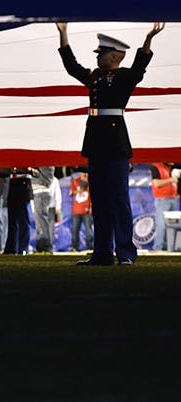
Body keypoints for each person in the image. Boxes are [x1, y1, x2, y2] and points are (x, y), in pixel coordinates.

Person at [57, 22, 165, 265]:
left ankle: (125, 253)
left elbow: (140, 65)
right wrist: (63, 35)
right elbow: (72, 67)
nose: (99, 56)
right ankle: (102, 254)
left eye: (102, 53)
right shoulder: (94, 77)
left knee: (118, 200)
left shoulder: (125, 76)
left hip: (115, 145)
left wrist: (149, 39)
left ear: (115, 56)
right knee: (101, 201)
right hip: (96, 143)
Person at [150, 163, 179, 251]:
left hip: (173, 199)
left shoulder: (171, 167)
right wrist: (171, 180)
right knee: (161, 225)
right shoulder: (156, 166)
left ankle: (168, 248)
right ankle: (157, 248)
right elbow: (156, 183)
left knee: (172, 225)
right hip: (162, 200)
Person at [4, 168, 32, 255]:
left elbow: (37, 172)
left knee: (23, 220)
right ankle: (11, 248)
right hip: (13, 182)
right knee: (12, 220)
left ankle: (23, 248)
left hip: (23, 182)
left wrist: (29, 169)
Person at [30, 166, 55, 253]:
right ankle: (41, 246)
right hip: (39, 192)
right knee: (40, 222)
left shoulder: (47, 163)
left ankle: (45, 247)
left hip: (41, 192)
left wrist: (32, 169)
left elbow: (45, 179)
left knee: (42, 221)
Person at [69, 172, 93, 251]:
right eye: (83, 174)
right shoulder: (76, 181)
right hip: (76, 210)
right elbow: (71, 193)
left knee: (88, 229)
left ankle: (91, 246)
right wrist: (77, 191)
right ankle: (74, 246)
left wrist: (91, 208)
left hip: (86, 209)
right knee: (75, 229)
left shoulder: (92, 181)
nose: (85, 176)